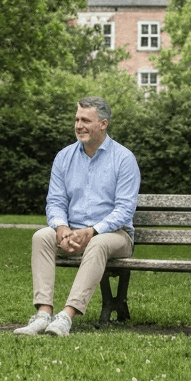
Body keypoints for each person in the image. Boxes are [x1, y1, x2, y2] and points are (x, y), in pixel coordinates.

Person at [15, 97, 140, 337]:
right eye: (76, 119)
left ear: (103, 124)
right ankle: (43, 313)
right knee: (42, 236)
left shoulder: (124, 159)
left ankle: (66, 316)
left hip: (115, 236)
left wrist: (92, 230)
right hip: (73, 231)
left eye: (85, 120)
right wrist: (61, 227)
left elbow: (124, 210)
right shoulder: (64, 157)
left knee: (98, 242)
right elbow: (55, 202)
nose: (78, 125)